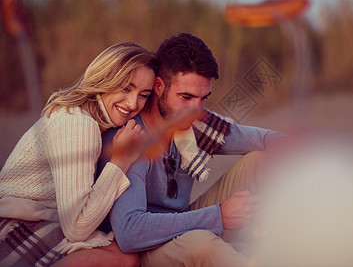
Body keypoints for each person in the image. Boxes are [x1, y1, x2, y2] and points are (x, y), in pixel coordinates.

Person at [99, 33, 285, 266]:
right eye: (186, 97)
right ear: (159, 86)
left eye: (202, 98)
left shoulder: (196, 125)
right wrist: (218, 216)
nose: (196, 110)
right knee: (202, 244)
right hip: (146, 248)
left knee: (261, 161)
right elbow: (129, 233)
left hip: (186, 220)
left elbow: (265, 138)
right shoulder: (131, 138)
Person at [0, 42, 159, 267]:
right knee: (124, 257)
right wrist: (121, 160)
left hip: (39, 218)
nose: (133, 103)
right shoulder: (78, 123)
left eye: (143, 94)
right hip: (13, 224)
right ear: (105, 79)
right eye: (126, 88)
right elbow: (76, 228)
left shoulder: (90, 117)